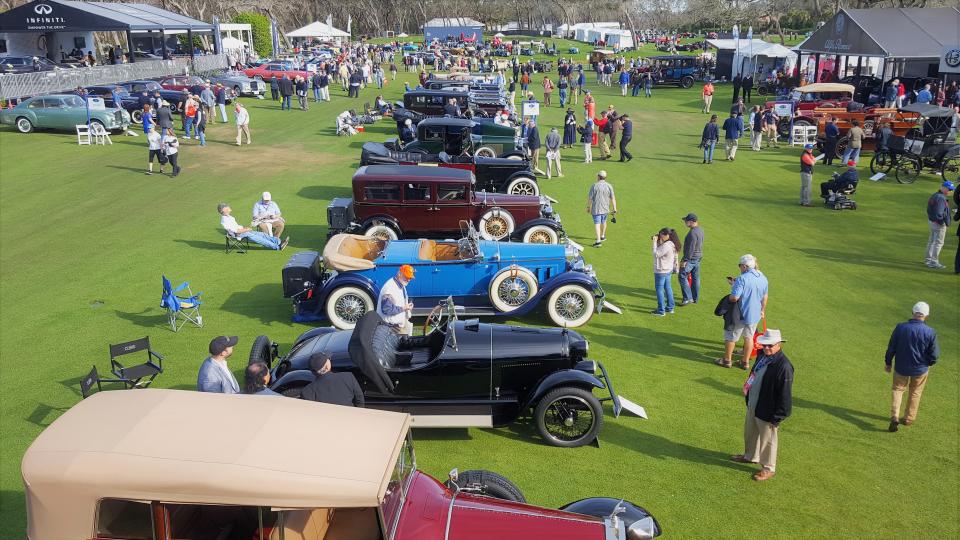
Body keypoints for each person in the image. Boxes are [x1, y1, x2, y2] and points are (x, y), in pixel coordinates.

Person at [730, 329, 793, 482]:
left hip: (768, 410)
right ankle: (750, 456)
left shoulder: (784, 366)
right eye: (765, 345)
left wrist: (778, 416)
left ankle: (768, 468)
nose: (767, 348)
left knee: (768, 440)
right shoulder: (762, 356)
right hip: (754, 403)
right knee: (750, 432)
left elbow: (785, 395)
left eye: (770, 346)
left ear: (779, 345)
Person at [885, 301, 940, 432]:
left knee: (898, 390)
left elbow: (891, 346)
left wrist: (888, 362)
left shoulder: (901, 327)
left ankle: (894, 416)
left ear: (913, 312)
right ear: (926, 315)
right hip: (920, 369)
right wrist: (930, 363)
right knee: (915, 392)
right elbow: (935, 354)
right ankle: (909, 418)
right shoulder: (930, 332)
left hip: (901, 367)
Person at [716, 254, 768, 370]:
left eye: (740, 265)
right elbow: (764, 297)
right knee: (749, 338)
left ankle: (727, 360)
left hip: (740, 313)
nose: (740, 268)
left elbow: (735, 297)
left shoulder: (742, 278)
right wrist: (762, 310)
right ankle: (745, 362)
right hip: (755, 314)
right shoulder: (763, 277)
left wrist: (726, 299)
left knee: (731, 336)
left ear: (745, 266)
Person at [218, 203, 288, 250]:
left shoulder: (228, 217)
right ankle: (277, 247)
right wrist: (246, 230)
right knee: (258, 238)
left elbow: (237, 227)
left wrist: (246, 228)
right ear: (224, 210)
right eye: (227, 207)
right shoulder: (225, 220)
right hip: (238, 234)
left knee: (262, 234)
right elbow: (236, 231)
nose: (229, 207)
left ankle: (278, 241)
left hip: (242, 231)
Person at [377, 265, 415, 335]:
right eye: (406, 277)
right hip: (391, 327)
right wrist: (404, 308)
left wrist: (407, 307)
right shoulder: (390, 288)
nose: (409, 279)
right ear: (400, 274)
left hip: (398, 324)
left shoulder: (401, 285)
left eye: (410, 278)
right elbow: (386, 310)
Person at [651, 228, 680, 316]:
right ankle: (670, 308)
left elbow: (656, 254)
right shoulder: (672, 243)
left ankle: (661, 311)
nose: (660, 236)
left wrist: (654, 242)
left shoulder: (666, 245)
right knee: (668, 288)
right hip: (668, 270)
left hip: (661, 271)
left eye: (661, 235)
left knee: (659, 290)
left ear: (667, 235)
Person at [925, 181, 954, 269]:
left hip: (932, 221)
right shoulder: (941, 198)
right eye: (949, 189)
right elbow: (939, 213)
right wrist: (941, 222)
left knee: (931, 241)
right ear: (944, 188)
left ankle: (928, 259)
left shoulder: (935, 195)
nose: (950, 191)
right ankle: (933, 261)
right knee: (938, 242)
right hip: (938, 223)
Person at [678, 213, 703, 305]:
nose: (685, 222)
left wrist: (685, 260)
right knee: (696, 278)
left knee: (682, 276)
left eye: (686, 221)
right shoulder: (700, 230)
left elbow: (690, 249)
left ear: (692, 221)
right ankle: (694, 298)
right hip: (698, 258)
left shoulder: (692, 233)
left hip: (691, 259)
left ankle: (687, 298)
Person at [587, 170, 616, 247]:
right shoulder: (609, 186)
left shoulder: (594, 185)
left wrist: (588, 207)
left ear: (599, 177)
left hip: (596, 209)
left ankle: (598, 241)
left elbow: (590, 198)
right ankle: (602, 236)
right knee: (604, 222)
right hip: (605, 208)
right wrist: (614, 208)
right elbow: (613, 198)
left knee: (597, 224)